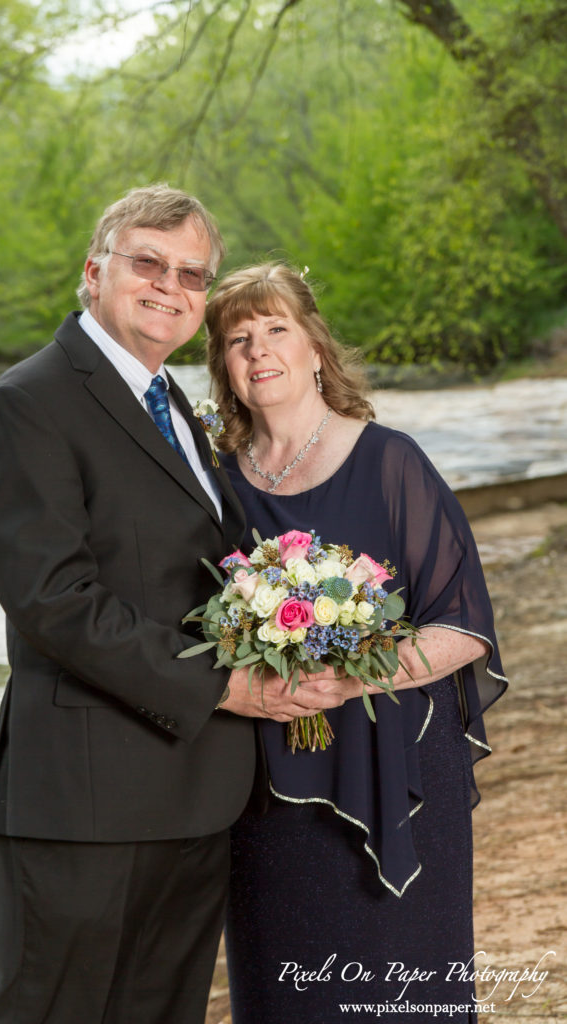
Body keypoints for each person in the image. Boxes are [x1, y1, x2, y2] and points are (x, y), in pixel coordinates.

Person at [0, 189, 340, 1024]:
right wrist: (224, 685)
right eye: (148, 263)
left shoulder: (176, 403)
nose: (169, 285)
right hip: (86, 798)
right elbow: (52, 600)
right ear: (94, 271)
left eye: (191, 273)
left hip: (197, 788)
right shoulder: (27, 403)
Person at [205, 262, 508, 1023]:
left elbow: (462, 625)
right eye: (238, 338)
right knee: (282, 983)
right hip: (269, 780)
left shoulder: (390, 461)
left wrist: (353, 679)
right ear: (223, 368)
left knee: (396, 978)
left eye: (276, 329)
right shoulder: (216, 485)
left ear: (314, 348)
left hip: (396, 761)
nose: (258, 350)